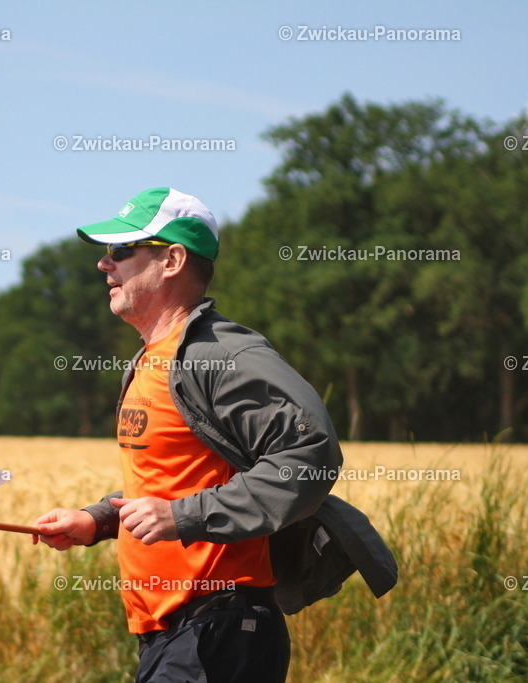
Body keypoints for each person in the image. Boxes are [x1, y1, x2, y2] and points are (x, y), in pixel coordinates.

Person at [33, 187, 345, 682]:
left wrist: (183, 515)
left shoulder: (223, 355)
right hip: (172, 634)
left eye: (120, 250)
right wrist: (96, 521)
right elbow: (174, 481)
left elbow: (309, 455)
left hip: (218, 630)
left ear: (173, 260)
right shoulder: (151, 362)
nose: (104, 265)